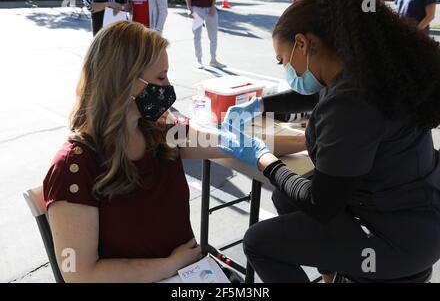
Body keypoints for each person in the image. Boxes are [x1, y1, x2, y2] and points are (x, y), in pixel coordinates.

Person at [43, 21, 299, 282]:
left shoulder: (160, 132)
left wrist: (310, 141)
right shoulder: (73, 167)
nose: (168, 87)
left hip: (189, 274)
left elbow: (232, 142)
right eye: (160, 77)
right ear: (123, 80)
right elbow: (79, 274)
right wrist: (170, 265)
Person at [218, 0, 440, 283]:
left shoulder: (352, 102)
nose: (285, 69)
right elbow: (319, 94)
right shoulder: (369, 72)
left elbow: (320, 204)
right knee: (286, 199)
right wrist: (259, 104)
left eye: (282, 60)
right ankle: (331, 276)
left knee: (258, 243)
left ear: (303, 43)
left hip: (396, 239)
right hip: (415, 212)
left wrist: (262, 158)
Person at [184, 0, 226, 69]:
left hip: (210, 8)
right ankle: (198, 60)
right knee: (197, 36)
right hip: (196, 8)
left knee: (213, 36)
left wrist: (212, 7)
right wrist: (189, 9)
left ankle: (213, 60)